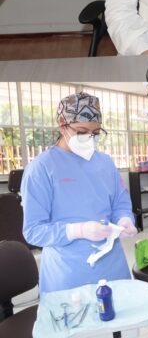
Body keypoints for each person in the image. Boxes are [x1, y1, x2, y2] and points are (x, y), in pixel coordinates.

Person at [20, 92, 138, 294]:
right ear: (62, 125)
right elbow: (34, 231)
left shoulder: (105, 163)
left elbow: (120, 202)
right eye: (82, 132)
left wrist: (125, 219)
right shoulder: (41, 168)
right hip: (68, 273)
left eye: (96, 132)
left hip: (112, 267)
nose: (90, 138)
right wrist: (77, 230)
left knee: (115, 311)